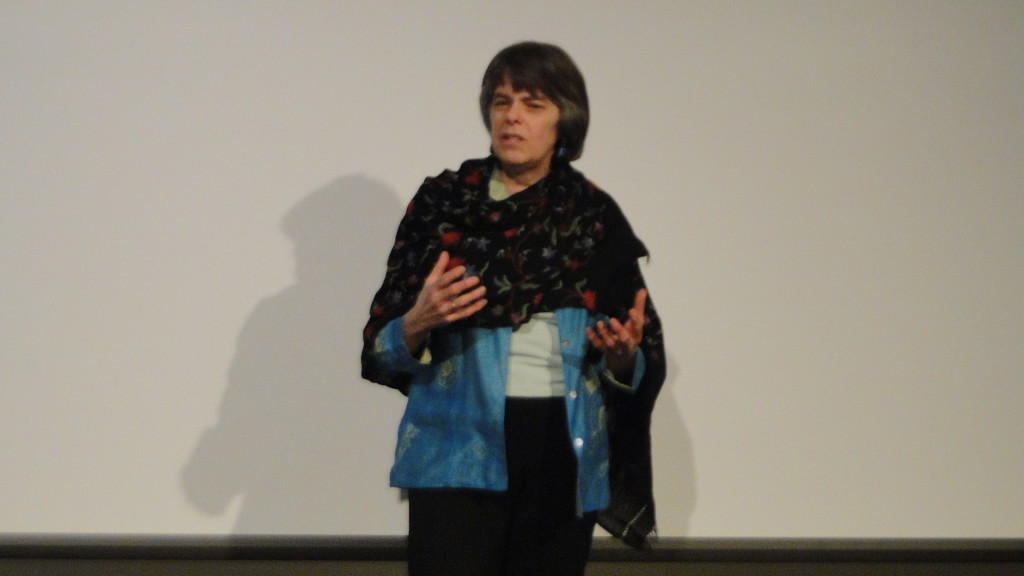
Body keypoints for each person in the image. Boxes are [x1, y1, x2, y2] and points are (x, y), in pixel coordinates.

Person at [361, 41, 665, 576]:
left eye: (533, 103)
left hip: (563, 450)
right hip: (457, 447)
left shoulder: (593, 218)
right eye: (502, 102)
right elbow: (380, 352)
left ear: (563, 121)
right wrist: (417, 322)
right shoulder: (442, 204)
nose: (513, 117)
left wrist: (622, 357)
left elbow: (636, 362)